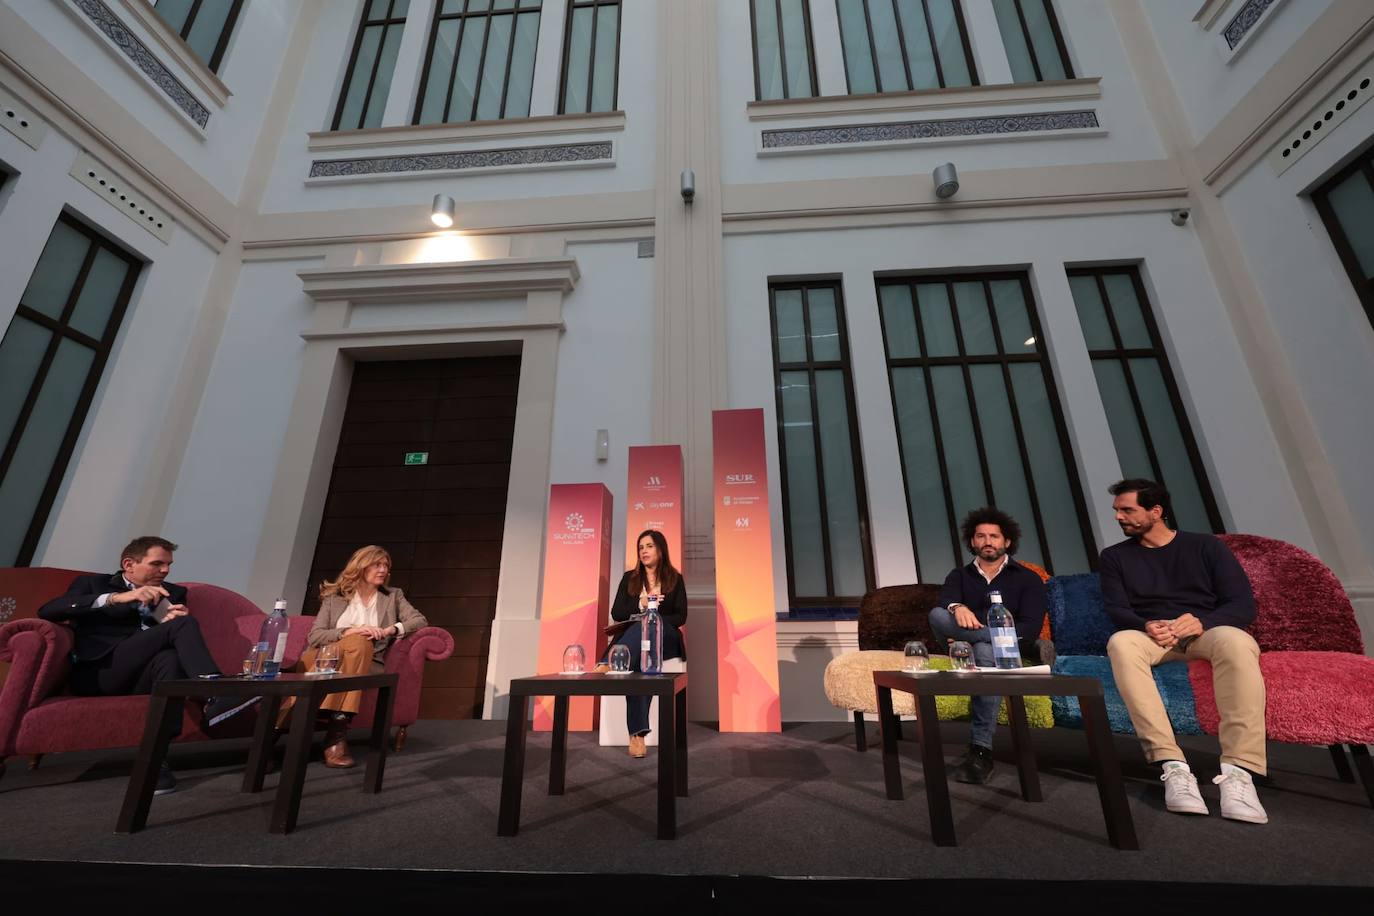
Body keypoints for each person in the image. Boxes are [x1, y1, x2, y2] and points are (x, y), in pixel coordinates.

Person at [1101, 478, 1267, 824]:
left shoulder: (1206, 547)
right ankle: (1172, 766)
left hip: (1203, 631)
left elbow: (1242, 605)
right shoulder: (1114, 557)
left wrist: (1203, 622)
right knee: (1120, 642)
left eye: (1127, 509)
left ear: (1156, 511)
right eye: (1117, 510)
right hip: (1153, 637)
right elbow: (1116, 609)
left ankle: (1239, 771)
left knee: (1237, 641)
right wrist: (1145, 623)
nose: (1118, 517)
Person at [37, 536, 255, 795]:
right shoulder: (94, 584)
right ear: (129, 564)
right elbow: (49, 610)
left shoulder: (173, 592)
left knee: (170, 659)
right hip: (101, 672)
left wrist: (169, 621)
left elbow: (160, 638)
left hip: (144, 674)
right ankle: (216, 692)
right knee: (181, 628)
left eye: (169, 565)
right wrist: (117, 598)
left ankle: (154, 761)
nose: (165, 570)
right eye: (157, 564)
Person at [278, 545, 426, 768]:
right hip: (322, 658)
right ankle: (335, 737)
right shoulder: (335, 598)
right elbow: (316, 635)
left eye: (386, 566)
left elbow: (419, 620)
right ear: (361, 566)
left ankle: (274, 736)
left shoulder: (393, 596)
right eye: (377, 564)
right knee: (355, 640)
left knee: (360, 643)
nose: (383, 569)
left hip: (366, 661)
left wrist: (389, 630)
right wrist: (347, 632)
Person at [928, 507, 1046, 784]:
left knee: (984, 650)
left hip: (1005, 648)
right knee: (937, 615)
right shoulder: (959, 575)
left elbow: (1030, 627)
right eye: (981, 536)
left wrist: (976, 633)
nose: (988, 541)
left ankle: (981, 749)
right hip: (963, 638)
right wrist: (957, 608)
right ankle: (981, 750)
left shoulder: (1027, 578)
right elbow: (944, 603)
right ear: (972, 542)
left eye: (994, 536)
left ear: (1007, 542)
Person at [598, 529, 687, 758]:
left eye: (649, 546)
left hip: (665, 637)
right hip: (638, 640)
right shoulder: (630, 578)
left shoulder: (675, 579)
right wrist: (641, 604)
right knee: (639, 664)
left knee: (647, 625)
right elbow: (617, 612)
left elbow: (681, 617)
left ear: (660, 549)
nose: (644, 551)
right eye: (640, 547)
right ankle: (637, 735)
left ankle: (610, 661)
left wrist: (653, 616)